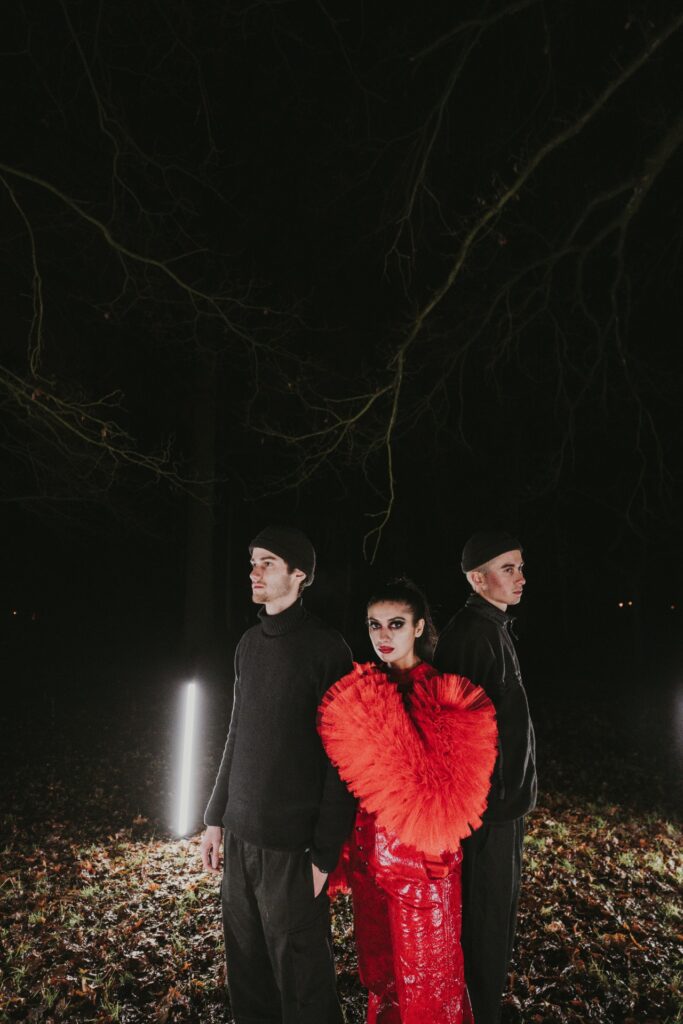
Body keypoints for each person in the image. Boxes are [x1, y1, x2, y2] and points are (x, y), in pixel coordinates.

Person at [318, 578, 498, 1024]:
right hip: (369, 862)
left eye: (396, 624)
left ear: (419, 627)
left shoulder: (442, 694)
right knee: (383, 979)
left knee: (428, 984)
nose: (383, 635)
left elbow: (449, 799)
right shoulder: (366, 687)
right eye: (374, 624)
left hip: (422, 868)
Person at [200, 525, 355, 1024]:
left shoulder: (328, 650)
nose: (254, 572)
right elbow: (237, 731)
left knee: (304, 985)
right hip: (240, 841)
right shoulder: (248, 644)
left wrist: (325, 854)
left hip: (293, 848)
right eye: (253, 562)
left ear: (299, 574)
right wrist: (215, 818)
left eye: (267, 562)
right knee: (248, 978)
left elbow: (342, 760)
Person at [433, 531, 537, 1024]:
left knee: (496, 924)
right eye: (508, 568)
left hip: (502, 809)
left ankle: (484, 1008)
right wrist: (486, 801)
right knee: (483, 926)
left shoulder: (493, 628)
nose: (521, 577)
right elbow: (456, 731)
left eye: (520, 566)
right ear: (477, 579)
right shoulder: (472, 636)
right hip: (486, 815)